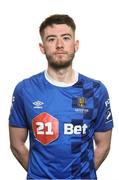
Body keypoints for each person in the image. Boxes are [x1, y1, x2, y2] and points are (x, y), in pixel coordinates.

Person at [9, 14, 113, 180]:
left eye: (65, 38)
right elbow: (16, 144)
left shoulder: (95, 90)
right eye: (51, 39)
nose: (59, 45)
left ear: (75, 44)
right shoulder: (25, 90)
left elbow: (104, 145)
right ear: (42, 47)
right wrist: (39, 174)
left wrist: (82, 175)